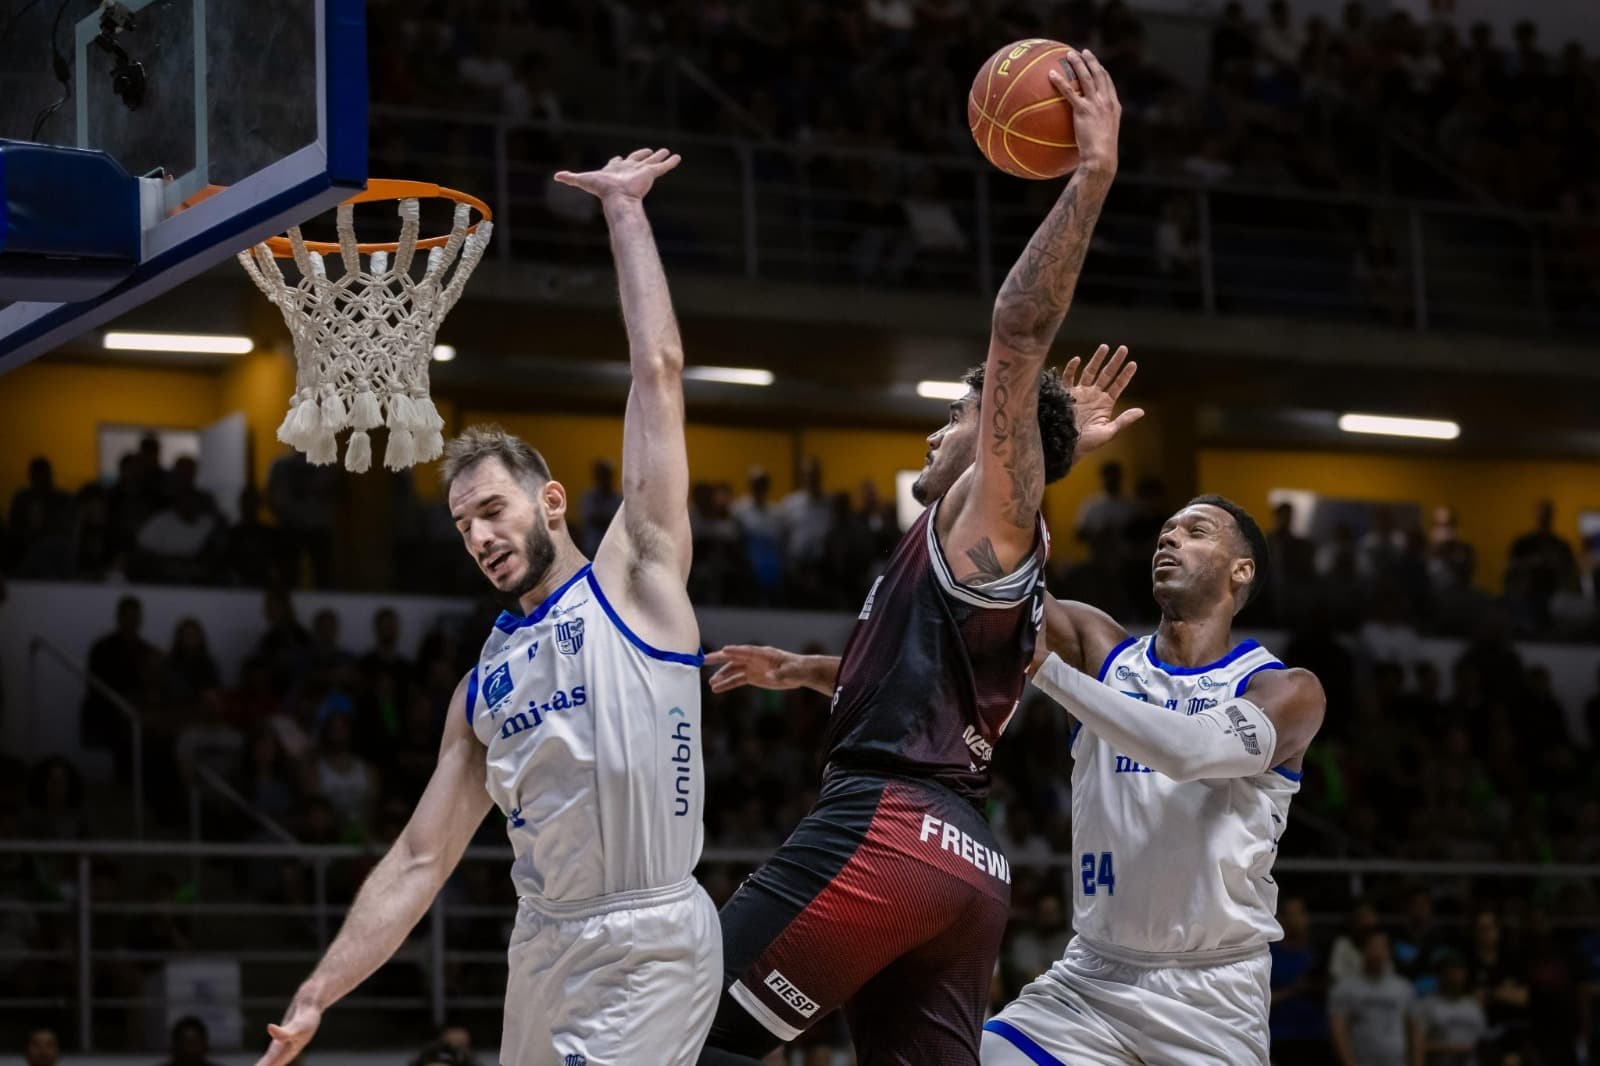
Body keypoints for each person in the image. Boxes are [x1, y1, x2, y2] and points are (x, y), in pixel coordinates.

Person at [699, 50, 1133, 1065]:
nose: (936, 428)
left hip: (888, 830)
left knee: (685, 1029)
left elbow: (1018, 327)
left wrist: (1091, 177)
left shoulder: (987, 517)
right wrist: (807, 670)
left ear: (997, 432)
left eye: (957, 412)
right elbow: (935, 680)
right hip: (964, 865)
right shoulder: (991, 555)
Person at [256, 147, 719, 1066]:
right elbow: (421, 860)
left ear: (549, 502)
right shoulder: (482, 686)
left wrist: (624, 212)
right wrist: (318, 990)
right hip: (542, 945)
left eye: (493, 510)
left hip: (650, 944)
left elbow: (659, 371)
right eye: (463, 524)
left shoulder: (638, 578)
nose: (478, 536)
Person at [978, 485, 1325, 1065]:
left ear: (1241, 570)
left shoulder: (1283, 690)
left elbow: (1187, 751)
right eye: (1166, 530)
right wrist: (1026, 451)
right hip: (1089, 982)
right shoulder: (1098, 648)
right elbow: (985, 581)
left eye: (1196, 531)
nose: (1170, 537)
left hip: (1212, 995)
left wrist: (1048, 672)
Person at [1328, 931, 1419, 1066]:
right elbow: (1338, 1029)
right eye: (1373, 947)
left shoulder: (1404, 988)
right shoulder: (1344, 988)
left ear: (1389, 953)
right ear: (1363, 950)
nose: (1377, 953)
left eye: (1382, 947)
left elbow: (1414, 1030)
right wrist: (1349, 1062)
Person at [1414, 953, 1487, 1066]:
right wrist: (1450, 1047)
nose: (1456, 978)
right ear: (1441, 976)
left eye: (1459, 974)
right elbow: (1418, 1045)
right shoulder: (1427, 1005)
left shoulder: (1474, 1007)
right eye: (1451, 974)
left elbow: (1483, 1041)